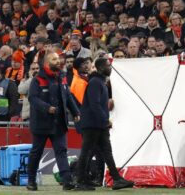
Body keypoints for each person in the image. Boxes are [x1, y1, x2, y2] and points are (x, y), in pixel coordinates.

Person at [74, 58, 134, 191]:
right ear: (100, 68)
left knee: (105, 151)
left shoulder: (99, 81)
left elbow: (97, 104)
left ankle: (117, 179)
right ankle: (80, 180)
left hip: (98, 124)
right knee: (87, 152)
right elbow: (94, 104)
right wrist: (105, 120)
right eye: (108, 65)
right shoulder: (96, 82)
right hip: (92, 124)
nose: (110, 68)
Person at [26, 50, 81, 191]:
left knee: (61, 151)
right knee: (36, 152)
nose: (58, 61)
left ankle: (67, 181)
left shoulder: (62, 77)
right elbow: (32, 98)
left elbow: (68, 96)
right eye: (55, 59)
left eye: (58, 59)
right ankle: (31, 181)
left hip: (59, 122)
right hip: (41, 123)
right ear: (46, 63)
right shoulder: (37, 79)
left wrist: (75, 112)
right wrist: (47, 108)